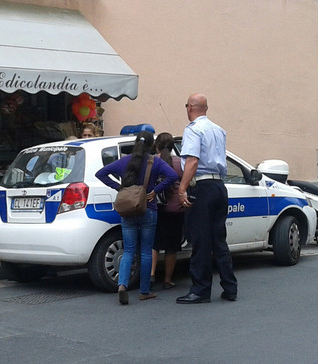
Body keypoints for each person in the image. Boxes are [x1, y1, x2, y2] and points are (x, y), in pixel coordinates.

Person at [96, 130, 177, 304]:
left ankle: (122, 284)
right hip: (148, 209)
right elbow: (172, 175)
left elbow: (101, 173)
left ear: (135, 143)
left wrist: (119, 187)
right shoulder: (154, 162)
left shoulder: (124, 161)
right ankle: (144, 291)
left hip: (127, 211)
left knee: (129, 250)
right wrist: (156, 190)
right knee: (146, 251)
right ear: (152, 146)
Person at [176, 93, 238, 304]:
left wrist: (182, 188)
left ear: (190, 107)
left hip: (201, 186)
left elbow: (192, 161)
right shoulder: (218, 130)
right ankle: (230, 287)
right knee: (218, 240)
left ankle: (200, 290)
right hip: (219, 186)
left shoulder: (193, 130)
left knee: (201, 240)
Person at [150, 132, 185, 289]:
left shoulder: (152, 162)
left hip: (155, 207)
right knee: (171, 247)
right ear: (173, 146)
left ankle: (150, 275)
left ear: (156, 145)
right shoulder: (179, 163)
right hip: (174, 209)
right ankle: (167, 279)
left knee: (154, 244)